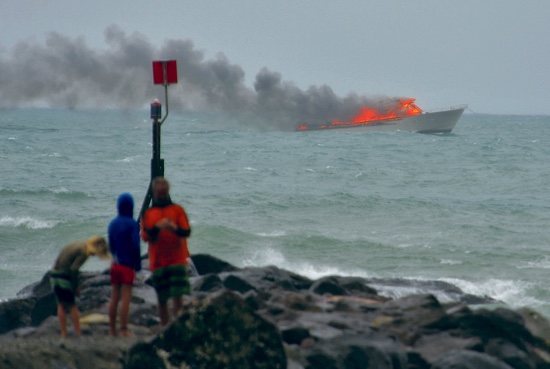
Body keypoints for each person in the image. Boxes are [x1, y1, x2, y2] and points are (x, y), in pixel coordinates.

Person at [141, 176, 191, 326]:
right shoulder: (148, 214)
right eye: (159, 192)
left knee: (178, 297)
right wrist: (158, 227)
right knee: (162, 299)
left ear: (168, 191)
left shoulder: (177, 210)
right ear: (155, 193)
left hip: (177, 261)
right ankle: (165, 327)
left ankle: (177, 325)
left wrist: (174, 228)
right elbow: (145, 236)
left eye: (164, 192)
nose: (162, 195)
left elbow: (186, 231)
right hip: (159, 262)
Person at [50, 236, 110, 338]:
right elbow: (74, 270)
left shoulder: (78, 244)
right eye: (97, 254)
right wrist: (75, 287)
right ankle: (78, 332)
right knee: (72, 305)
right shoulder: (84, 252)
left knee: (60, 304)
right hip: (64, 276)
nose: (94, 255)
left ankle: (64, 333)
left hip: (54, 274)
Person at [108, 193, 141, 337]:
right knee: (126, 298)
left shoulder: (112, 224)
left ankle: (111, 330)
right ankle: (123, 329)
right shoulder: (132, 224)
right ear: (131, 207)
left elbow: (111, 247)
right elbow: (135, 246)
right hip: (127, 266)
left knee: (114, 296)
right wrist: (137, 264)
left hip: (115, 264)